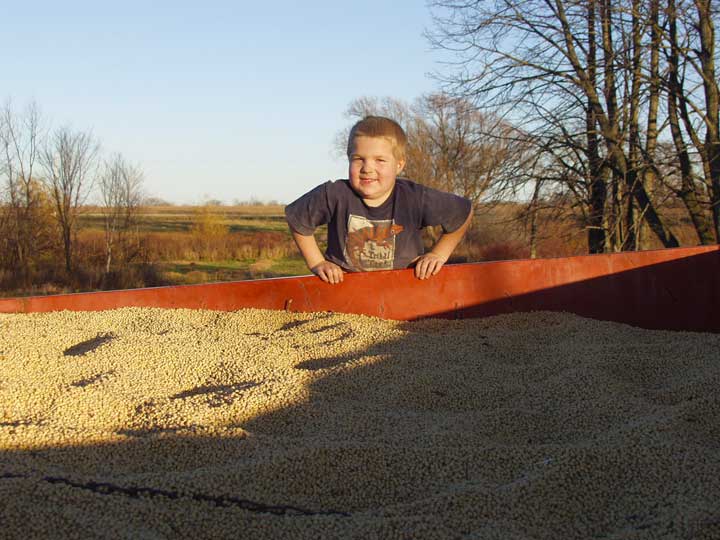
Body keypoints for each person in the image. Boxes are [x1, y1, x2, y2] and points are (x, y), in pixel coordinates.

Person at [285, 115, 473, 284]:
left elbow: (463, 212)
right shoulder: (334, 194)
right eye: (358, 159)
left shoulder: (414, 198)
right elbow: (297, 218)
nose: (367, 168)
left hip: (404, 287)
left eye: (380, 160)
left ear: (399, 165)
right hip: (343, 289)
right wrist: (317, 262)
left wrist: (438, 254)